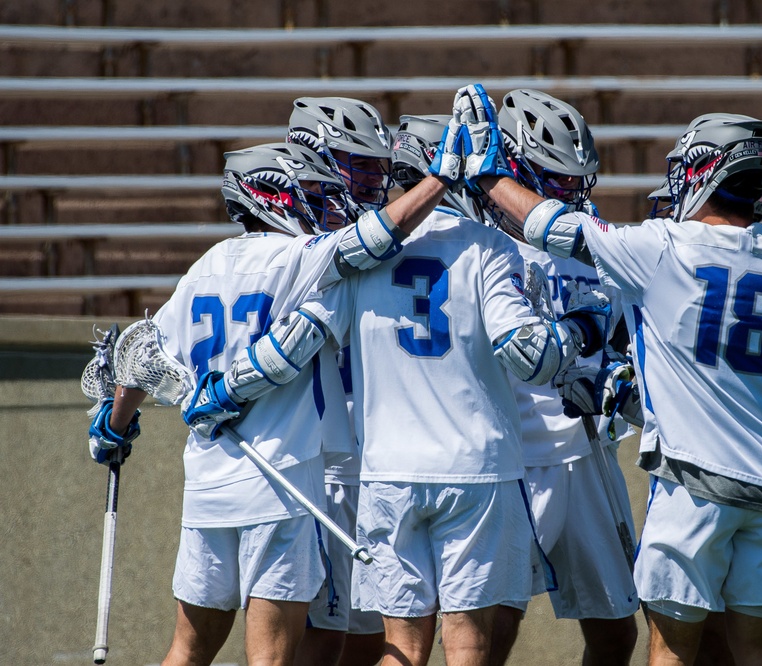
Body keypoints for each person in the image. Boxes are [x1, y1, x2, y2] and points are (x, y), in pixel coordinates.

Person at [461, 106, 762, 666]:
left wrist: (488, 175)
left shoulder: (660, 248)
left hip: (693, 486)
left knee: (671, 653)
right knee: (757, 652)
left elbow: (546, 225)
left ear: (706, 171)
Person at [86, 141, 441, 666]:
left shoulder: (204, 266)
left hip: (206, 488)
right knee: (270, 659)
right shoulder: (298, 258)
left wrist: (112, 426)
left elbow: (138, 356)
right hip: (279, 486)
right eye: (313, 193)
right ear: (273, 194)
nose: (323, 205)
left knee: (186, 650)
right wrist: (441, 182)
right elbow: (377, 234)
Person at [300, 85, 613, 666]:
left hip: (386, 470)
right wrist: (580, 331)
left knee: (399, 646)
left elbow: (296, 346)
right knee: (467, 642)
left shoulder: (357, 253)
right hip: (478, 469)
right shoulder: (489, 245)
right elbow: (530, 357)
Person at [482, 89, 639, 666]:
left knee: (617, 630)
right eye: (556, 177)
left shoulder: (593, 241)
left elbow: (624, 337)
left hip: (586, 453)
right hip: (514, 457)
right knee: (495, 627)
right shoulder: (485, 245)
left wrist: (616, 380)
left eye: (579, 181)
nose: (573, 193)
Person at [285, 97, 393, 666]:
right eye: (359, 163)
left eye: (379, 166)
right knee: (320, 635)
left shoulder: (372, 237)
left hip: (370, 457)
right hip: (320, 459)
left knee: (371, 633)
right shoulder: (298, 247)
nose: (374, 179)